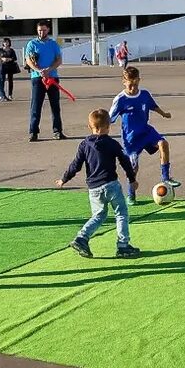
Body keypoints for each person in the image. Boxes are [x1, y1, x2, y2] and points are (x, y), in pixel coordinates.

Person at [57, 109, 141, 259]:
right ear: (108, 126)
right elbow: (125, 162)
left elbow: (75, 165)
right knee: (121, 213)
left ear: (90, 127)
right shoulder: (113, 144)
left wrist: (64, 179)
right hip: (111, 185)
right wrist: (132, 179)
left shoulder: (84, 145)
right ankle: (123, 245)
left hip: (94, 188)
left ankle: (82, 238)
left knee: (98, 215)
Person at [108, 66, 179, 202]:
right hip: (131, 138)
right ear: (124, 81)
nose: (133, 87)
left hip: (146, 131)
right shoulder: (120, 99)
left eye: (135, 84)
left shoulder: (145, 94)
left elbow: (153, 106)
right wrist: (101, 132)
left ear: (139, 80)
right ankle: (131, 194)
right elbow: (110, 118)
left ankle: (165, 177)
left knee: (163, 143)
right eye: (130, 84)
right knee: (134, 167)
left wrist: (163, 114)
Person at [25, 20, 65, 141]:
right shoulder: (32, 44)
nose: (41, 32)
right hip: (38, 78)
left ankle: (57, 131)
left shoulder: (53, 44)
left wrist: (49, 69)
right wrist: (39, 70)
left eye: (44, 30)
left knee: (55, 106)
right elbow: (29, 60)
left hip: (52, 77)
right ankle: (33, 132)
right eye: (39, 30)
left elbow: (58, 60)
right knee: (36, 106)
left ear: (48, 30)